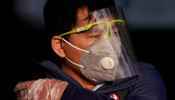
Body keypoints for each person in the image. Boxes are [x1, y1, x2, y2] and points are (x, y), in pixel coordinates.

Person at [13, 0, 167, 100]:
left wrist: (65, 94)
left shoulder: (141, 76)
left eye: (114, 32)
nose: (110, 43)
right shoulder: (34, 89)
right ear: (60, 46)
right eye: (95, 35)